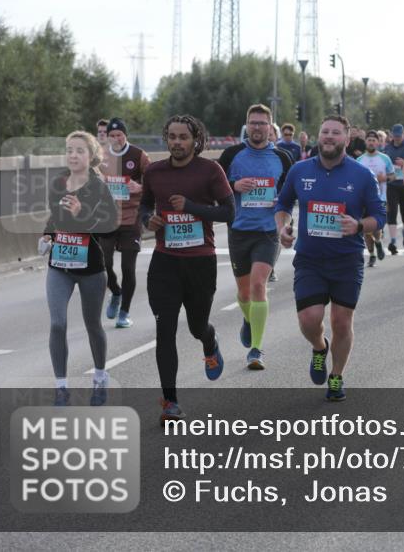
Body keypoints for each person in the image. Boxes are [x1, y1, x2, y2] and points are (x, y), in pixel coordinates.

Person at [275, 115, 385, 401]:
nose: (329, 136)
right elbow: (283, 203)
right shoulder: (299, 171)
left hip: (346, 260)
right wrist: (282, 228)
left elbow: (380, 216)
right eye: (325, 131)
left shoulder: (362, 176)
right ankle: (319, 347)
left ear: (347, 140)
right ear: (318, 136)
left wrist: (359, 225)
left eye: (336, 133)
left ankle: (336, 376)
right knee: (310, 319)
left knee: (340, 321)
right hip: (310, 259)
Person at [140, 116, 235, 423]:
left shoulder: (210, 170)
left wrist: (192, 207)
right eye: (171, 137)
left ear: (196, 140)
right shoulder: (154, 172)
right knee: (164, 330)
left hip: (200, 262)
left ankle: (209, 342)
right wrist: (147, 221)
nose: (177, 142)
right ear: (166, 139)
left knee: (196, 327)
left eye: (183, 137)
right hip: (164, 261)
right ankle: (170, 402)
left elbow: (229, 212)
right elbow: (144, 206)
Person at [42, 131, 118, 406]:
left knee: (92, 324)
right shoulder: (58, 183)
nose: (73, 155)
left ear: (91, 155)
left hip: (91, 267)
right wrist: (47, 235)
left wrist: (81, 214)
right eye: (69, 150)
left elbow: (110, 226)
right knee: (57, 323)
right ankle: (61, 387)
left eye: (79, 151)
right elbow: (54, 218)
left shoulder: (98, 187)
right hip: (59, 265)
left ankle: (100, 376)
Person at [218, 105, 294, 369]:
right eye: (253, 123)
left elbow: (290, 196)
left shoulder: (283, 158)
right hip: (239, 230)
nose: (257, 128)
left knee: (259, 285)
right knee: (243, 292)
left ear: (271, 128)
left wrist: (284, 214)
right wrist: (233, 186)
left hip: (267, 232)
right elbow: (214, 189)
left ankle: (256, 349)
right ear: (246, 126)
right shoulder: (231, 155)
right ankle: (249, 319)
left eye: (262, 123)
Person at [97, 117, 150, 329]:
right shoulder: (100, 156)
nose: (116, 139)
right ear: (107, 137)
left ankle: (125, 312)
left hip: (131, 217)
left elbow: (155, 180)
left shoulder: (138, 155)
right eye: (112, 136)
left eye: (119, 135)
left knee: (128, 267)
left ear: (125, 135)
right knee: (103, 263)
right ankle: (116, 293)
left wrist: (141, 188)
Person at [356, 131, 394, 267]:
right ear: (365, 142)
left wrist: (385, 178)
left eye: (374, 140)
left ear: (378, 143)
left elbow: (393, 176)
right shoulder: (359, 160)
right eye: (369, 140)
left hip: (380, 198)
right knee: (365, 229)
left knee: (377, 227)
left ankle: (378, 242)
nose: (371, 142)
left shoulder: (385, 158)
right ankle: (372, 255)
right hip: (363, 199)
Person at [382, 124, 404, 254]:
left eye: (399, 136)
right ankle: (393, 241)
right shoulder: (387, 148)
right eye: (395, 136)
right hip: (391, 185)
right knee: (392, 212)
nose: (397, 139)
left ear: (403, 134)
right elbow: (384, 164)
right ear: (392, 135)